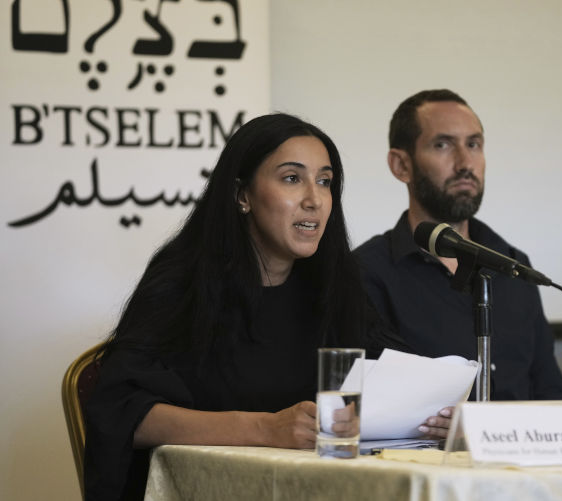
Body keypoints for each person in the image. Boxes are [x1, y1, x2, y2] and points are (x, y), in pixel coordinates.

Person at [83, 113, 446, 501]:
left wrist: (436, 416)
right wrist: (265, 429)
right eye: (292, 178)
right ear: (242, 195)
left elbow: (395, 376)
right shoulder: (182, 283)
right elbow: (123, 413)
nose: (314, 199)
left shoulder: (335, 285)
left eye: (325, 181)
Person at [355, 89, 562, 407]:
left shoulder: (513, 265)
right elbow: (374, 406)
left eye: (474, 144)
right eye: (442, 145)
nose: (465, 163)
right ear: (401, 165)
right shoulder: (368, 273)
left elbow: (551, 393)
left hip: (522, 439)